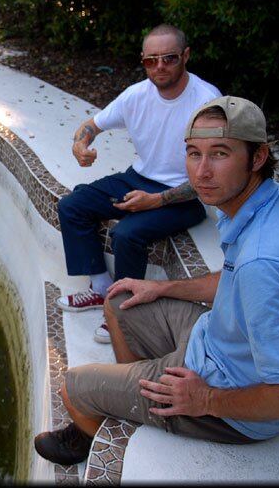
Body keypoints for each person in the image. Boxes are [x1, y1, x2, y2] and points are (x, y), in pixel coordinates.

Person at [34, 96, 279, 466]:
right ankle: (143, 393)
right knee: (120, 300)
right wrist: (163, 287)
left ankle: (122, 417)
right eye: (193, 153)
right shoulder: (275, 202)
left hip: (233, 400)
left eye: (219, 153)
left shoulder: (264, 263)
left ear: (258, 157)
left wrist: (205, 399)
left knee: (73, 388)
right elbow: (234, 283)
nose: (201, 172)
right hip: (220, 341)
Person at [57, 24, 220, 344]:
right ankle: (102, 288)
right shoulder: (137, 95)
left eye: (169, 58)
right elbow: (91, 125)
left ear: (185, 56)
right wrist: (80, 144)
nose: (160, 67)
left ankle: (122, 312)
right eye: (151, 60)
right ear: (143, 60)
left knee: (127, 234)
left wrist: (155, 201)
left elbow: (208, 177)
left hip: (188, 194)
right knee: (72, 205)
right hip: (139, 176)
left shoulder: (206, 102)